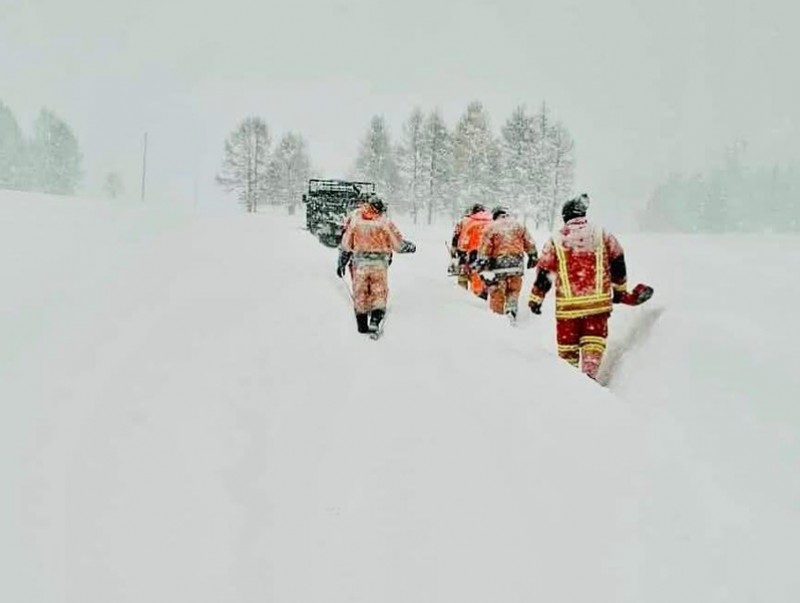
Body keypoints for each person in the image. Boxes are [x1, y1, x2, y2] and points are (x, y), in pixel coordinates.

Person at [528, 194, 651, 379]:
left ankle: (568, 386)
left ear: (565, 216)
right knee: (593, 347)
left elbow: (545, 273)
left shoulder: (556, 240)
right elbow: (618, 263)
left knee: (567, 356)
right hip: (597, 308)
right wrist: (619, 291)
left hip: (567, 312)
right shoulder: (602, 234)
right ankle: (589, 379)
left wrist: (536, 299)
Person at [336, 197, 416, 333]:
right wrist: (409, 247)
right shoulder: (384, 222)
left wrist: (342, 262)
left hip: (360, 263)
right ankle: (375, 319)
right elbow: (397, 244)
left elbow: (346, 244)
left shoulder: (355, 220)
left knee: (360, 293)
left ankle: (361, 323)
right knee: (378, 292)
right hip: (379, 264)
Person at [474, 206, 538, 321]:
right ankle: (511, 310)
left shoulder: (491, 228)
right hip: (516, 265)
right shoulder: (518, 226)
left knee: (497, 293)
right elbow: (530, 243)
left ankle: (498, 319)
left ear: (494, 216)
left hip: (498, 267)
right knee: (513, 290)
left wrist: (482, 263)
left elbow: (484, 249)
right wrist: (532, 256)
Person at [456, 203, 493, 299]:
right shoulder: (492, 223)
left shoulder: (471, 223)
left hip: (475, 252)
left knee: (474, 272)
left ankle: (477, 293)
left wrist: (461, 252)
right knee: (488, 273)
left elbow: (464, 241)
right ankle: (488, 292)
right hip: (490, 253)